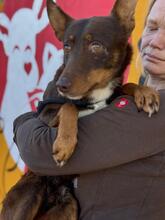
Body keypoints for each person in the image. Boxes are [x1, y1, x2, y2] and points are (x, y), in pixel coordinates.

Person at [12, 0, 165, 219]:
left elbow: (40, 152)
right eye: (152, 27)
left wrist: (22, 122)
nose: (156, 41)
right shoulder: (130, 97)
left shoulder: (157, 114)